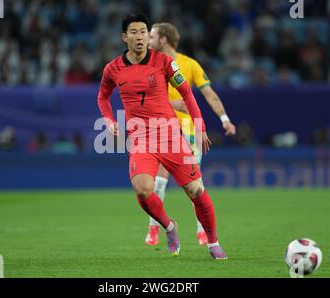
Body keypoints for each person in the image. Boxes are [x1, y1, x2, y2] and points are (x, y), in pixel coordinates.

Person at [97, 14, 227, 259]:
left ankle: (213, 242)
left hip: (170, 135)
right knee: (143, 190)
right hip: (140, 138)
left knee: (197, 191)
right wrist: (109, 119)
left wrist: (199, 126)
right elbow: (102, 97)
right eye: (134, 32)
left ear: (149, 35)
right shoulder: (112, 69)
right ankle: (169, 226)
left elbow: (187, 93)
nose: (140, 36)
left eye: (144, 31)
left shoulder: (164, 62)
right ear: (124, 37)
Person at [146, 22, 236, 246]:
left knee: (194, 184)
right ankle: (154, 229)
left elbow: (209, 94)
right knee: (158, 181)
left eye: (151, 36)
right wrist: (174, 103)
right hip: (162, 129)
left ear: (163, 40)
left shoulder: (189, 65)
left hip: (188, 132)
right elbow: (142, 98)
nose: (147, 40)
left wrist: (224, 119)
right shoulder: (148, 65)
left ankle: (202, 231)